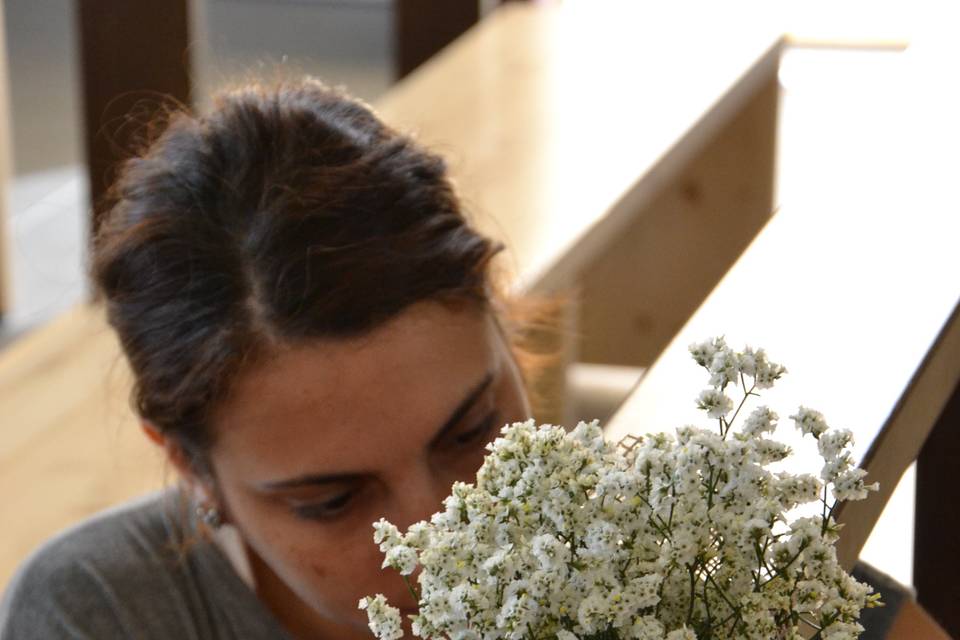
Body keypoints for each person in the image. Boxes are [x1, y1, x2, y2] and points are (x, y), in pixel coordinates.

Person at [0, 78, 946, 640]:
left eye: (473, 431)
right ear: (188, 466)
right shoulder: (104, 613)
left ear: (506, 325)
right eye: (333, 501)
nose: (443, 530)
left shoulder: (673, 548)